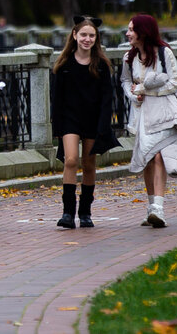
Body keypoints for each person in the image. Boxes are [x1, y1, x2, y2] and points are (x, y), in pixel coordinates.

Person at [121, 15, 177, 228]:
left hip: (164, 112)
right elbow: (125, 80)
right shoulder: (129, 57)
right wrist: (133, 95)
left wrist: (145, 90)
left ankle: (158, 208)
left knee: (159, 155)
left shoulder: (164, 53)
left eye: (131, 29)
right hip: (143, 114)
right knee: (148, 157)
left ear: (143, 32)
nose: (128, 33)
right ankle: (151, 206)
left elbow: (174, 83)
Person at [51, 16, 119, 228]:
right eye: (83, 35)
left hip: (93, 119)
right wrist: (57, 127)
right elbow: (57, 99)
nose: (87, 39)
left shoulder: (101, 66)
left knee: (89, 164)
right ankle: (68, 212)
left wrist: (103, 126)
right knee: (71, 160)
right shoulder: (64, 65)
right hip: (70, 119)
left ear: (96, 38)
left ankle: (85, 212)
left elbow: (107, 99)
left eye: (91, 35)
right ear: (74, 35)